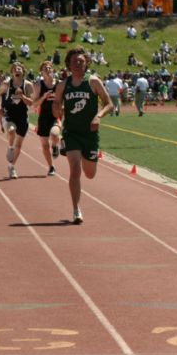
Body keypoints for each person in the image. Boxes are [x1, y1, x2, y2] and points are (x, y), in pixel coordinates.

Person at [52, 47, 113, 224]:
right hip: (71, 133)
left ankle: (89, 162)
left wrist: (98, 116)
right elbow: (56, 106)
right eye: (74, 62)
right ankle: (76, 209)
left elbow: (109, 104)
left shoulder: (93, 82)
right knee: (75, 170)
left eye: (81, 61)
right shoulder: (63, 85)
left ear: (86, 63)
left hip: (90, 135)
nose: (77, 64)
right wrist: (56, 108)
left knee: (90, 174)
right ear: (69, 65)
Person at [0, 62, 34, 179]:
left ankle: (11, 166)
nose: (17, 70)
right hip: (10, 114)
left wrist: (22, 96)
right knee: (11, 131)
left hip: (22, 115)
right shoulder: (7, 84)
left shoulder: (28, 85)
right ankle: (10, 148)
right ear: (12, 72)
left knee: (20, 144)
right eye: (15, 69)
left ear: (23, 71)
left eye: (19, 69)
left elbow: (31, 103)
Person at [32, 61, 62, 177]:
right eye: (45, 68)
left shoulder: (59, 84)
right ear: (42, 72)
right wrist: (43, 97)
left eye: (50, 68)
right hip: (43, 116)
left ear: (53, 70)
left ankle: (55, 146)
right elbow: (34, 104)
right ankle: (51, 166)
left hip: (55, 116)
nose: (48, 69)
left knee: (54, 135)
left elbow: (63, 100)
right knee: (44, 145)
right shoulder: (39, 85)